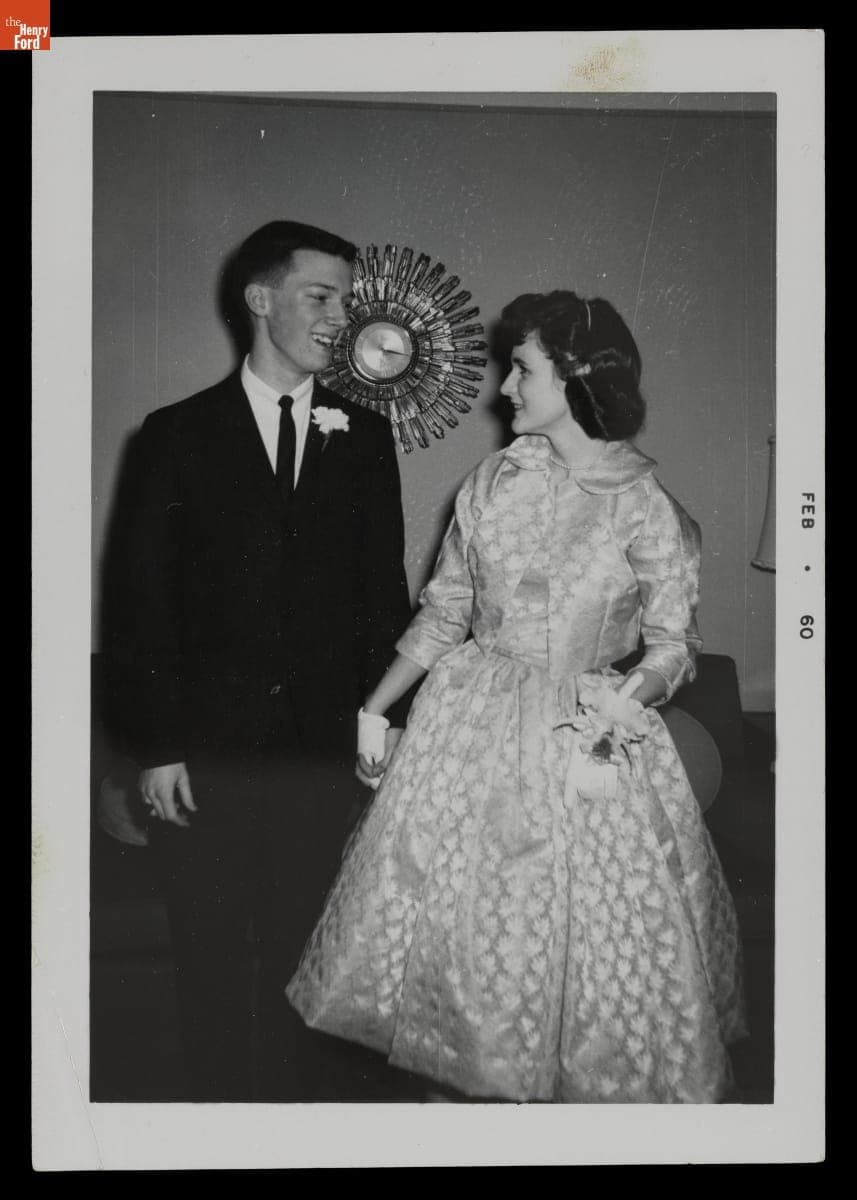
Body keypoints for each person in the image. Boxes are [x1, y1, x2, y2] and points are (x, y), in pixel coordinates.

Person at [286, 289, 747, 1103]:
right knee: (455, 960)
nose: (504, 387)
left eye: (522, 369)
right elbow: (444, 610)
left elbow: (676, 644)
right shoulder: (492, 482)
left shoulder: (644, 506)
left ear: (573, 376)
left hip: (582, 741)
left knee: (589, 976)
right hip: (469, 735)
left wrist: (627, 698)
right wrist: (374, 707)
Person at [102, 220, 415, 1101]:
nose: (339, 318)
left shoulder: (364, 436)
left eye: (346, 301)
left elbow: (380, 602)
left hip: (318, 758)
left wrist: (378, 728)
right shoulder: (171, 437)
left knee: (304, 963)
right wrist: (156, 746)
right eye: (322, 298)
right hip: (204, 757)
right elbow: (138, 606)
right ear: (260, 298)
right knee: (207, 960)